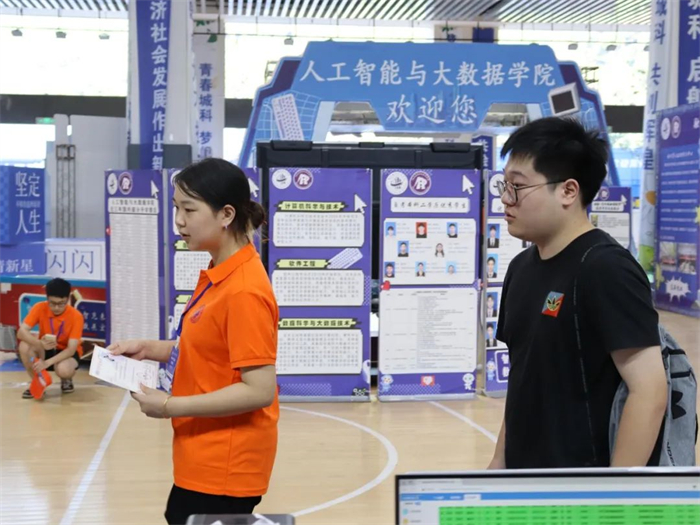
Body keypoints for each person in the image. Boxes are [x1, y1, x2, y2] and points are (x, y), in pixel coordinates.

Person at [488, 117, 667, 470]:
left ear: (569, 191)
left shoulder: (606, 269)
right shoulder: (520, 268)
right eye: (504, 185)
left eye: (518, 187)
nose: (506, 199)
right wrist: (499, 462)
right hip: (524, 479)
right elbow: (523, 381)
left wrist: (613, 491)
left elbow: (649, 392)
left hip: (581, 484)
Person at [109, 159, 279, 523]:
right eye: (176, 208)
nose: (179, 221)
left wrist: (169, 405)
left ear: (226, 214)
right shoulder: (220, 273)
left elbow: (259, 389)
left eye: (189, 210)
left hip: (225, 465)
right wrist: (150, 348)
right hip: (202, 455)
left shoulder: (244, 291)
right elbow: (212, 348)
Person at [17, 278, 83, 398]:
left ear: (68, 298)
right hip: (45, 348)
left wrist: (47, 363)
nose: (56, 308)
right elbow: (21, 332)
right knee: (24, 345)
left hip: (65, 353)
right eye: (52, 303)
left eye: (61, 303)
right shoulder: (39, 307)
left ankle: (66, 379)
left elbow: (71, 349)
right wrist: (39, 343)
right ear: (47, 298)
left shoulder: (76, 316)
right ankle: (37, 382)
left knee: (64, 370)